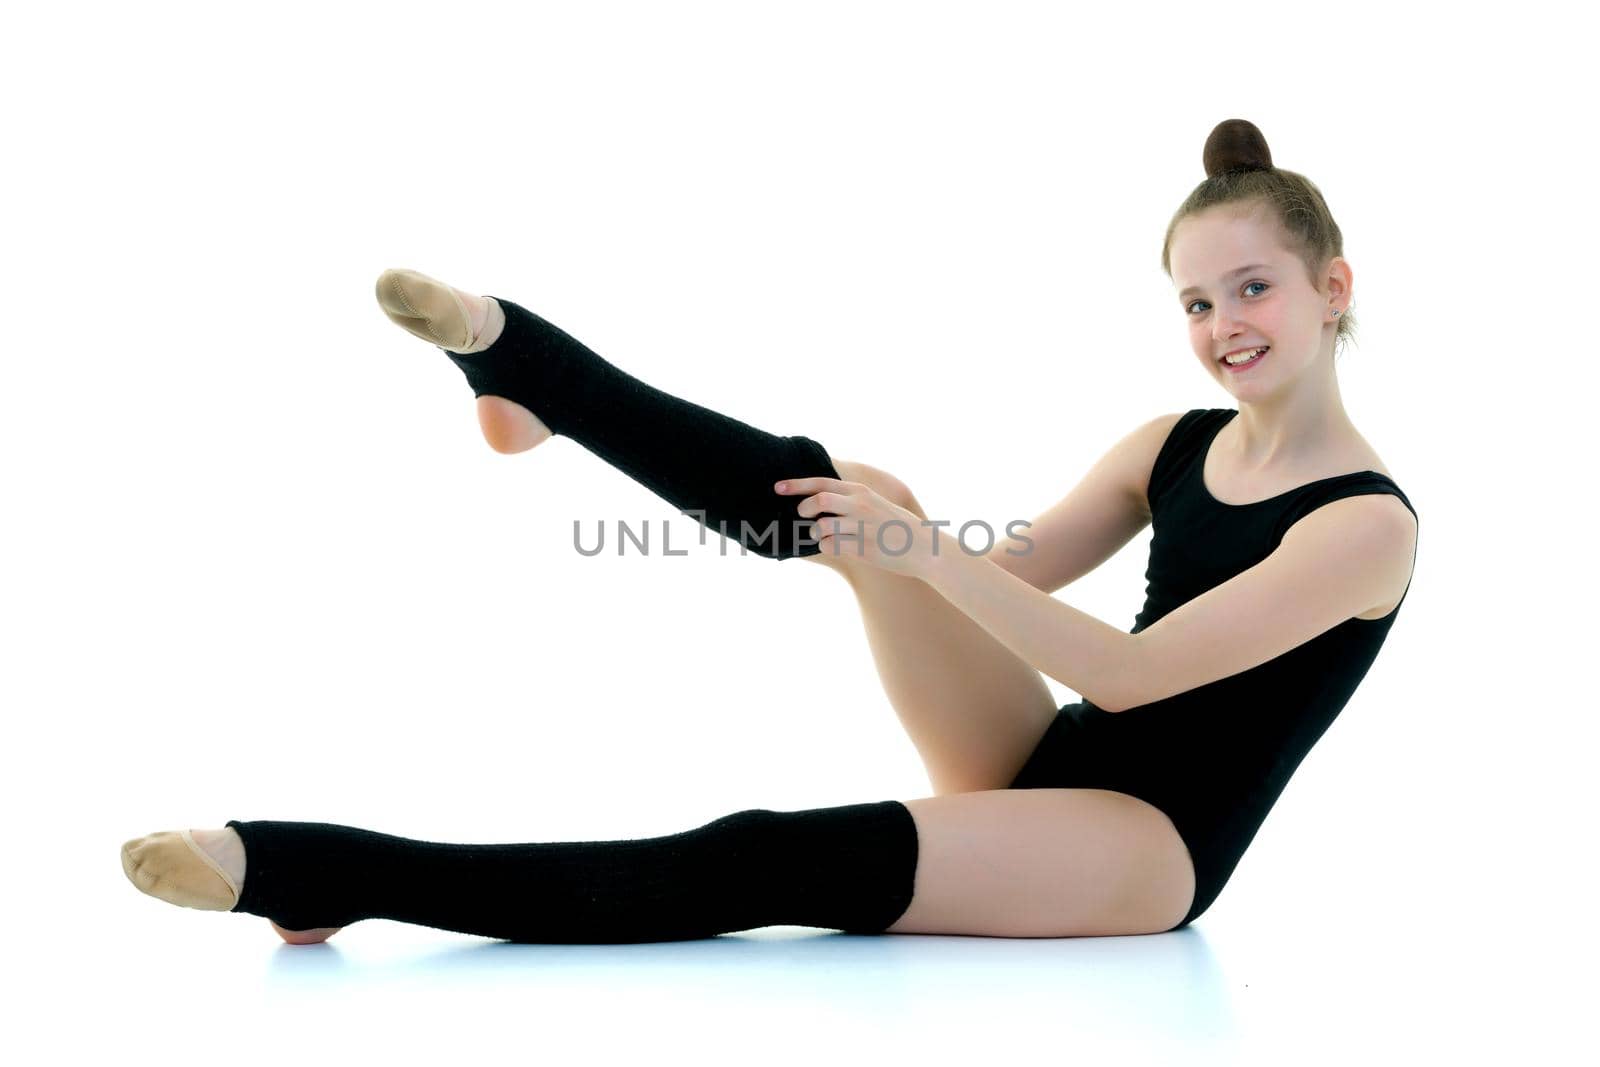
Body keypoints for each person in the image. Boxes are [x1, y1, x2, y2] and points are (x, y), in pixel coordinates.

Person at [120, 118, 1417, 944]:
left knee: (766, 858)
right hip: (1048, 758)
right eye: (1198, 300)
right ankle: (531, 375)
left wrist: (914, 551)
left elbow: (1131, 671)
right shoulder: (1171, 445)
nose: (1223, 323)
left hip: (1148, 850)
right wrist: (893, 536)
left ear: (1331, 287)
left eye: (1252, 288)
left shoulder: (1365, 528)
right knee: (868, 497)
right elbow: (1007, 576)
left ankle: (328, 871)